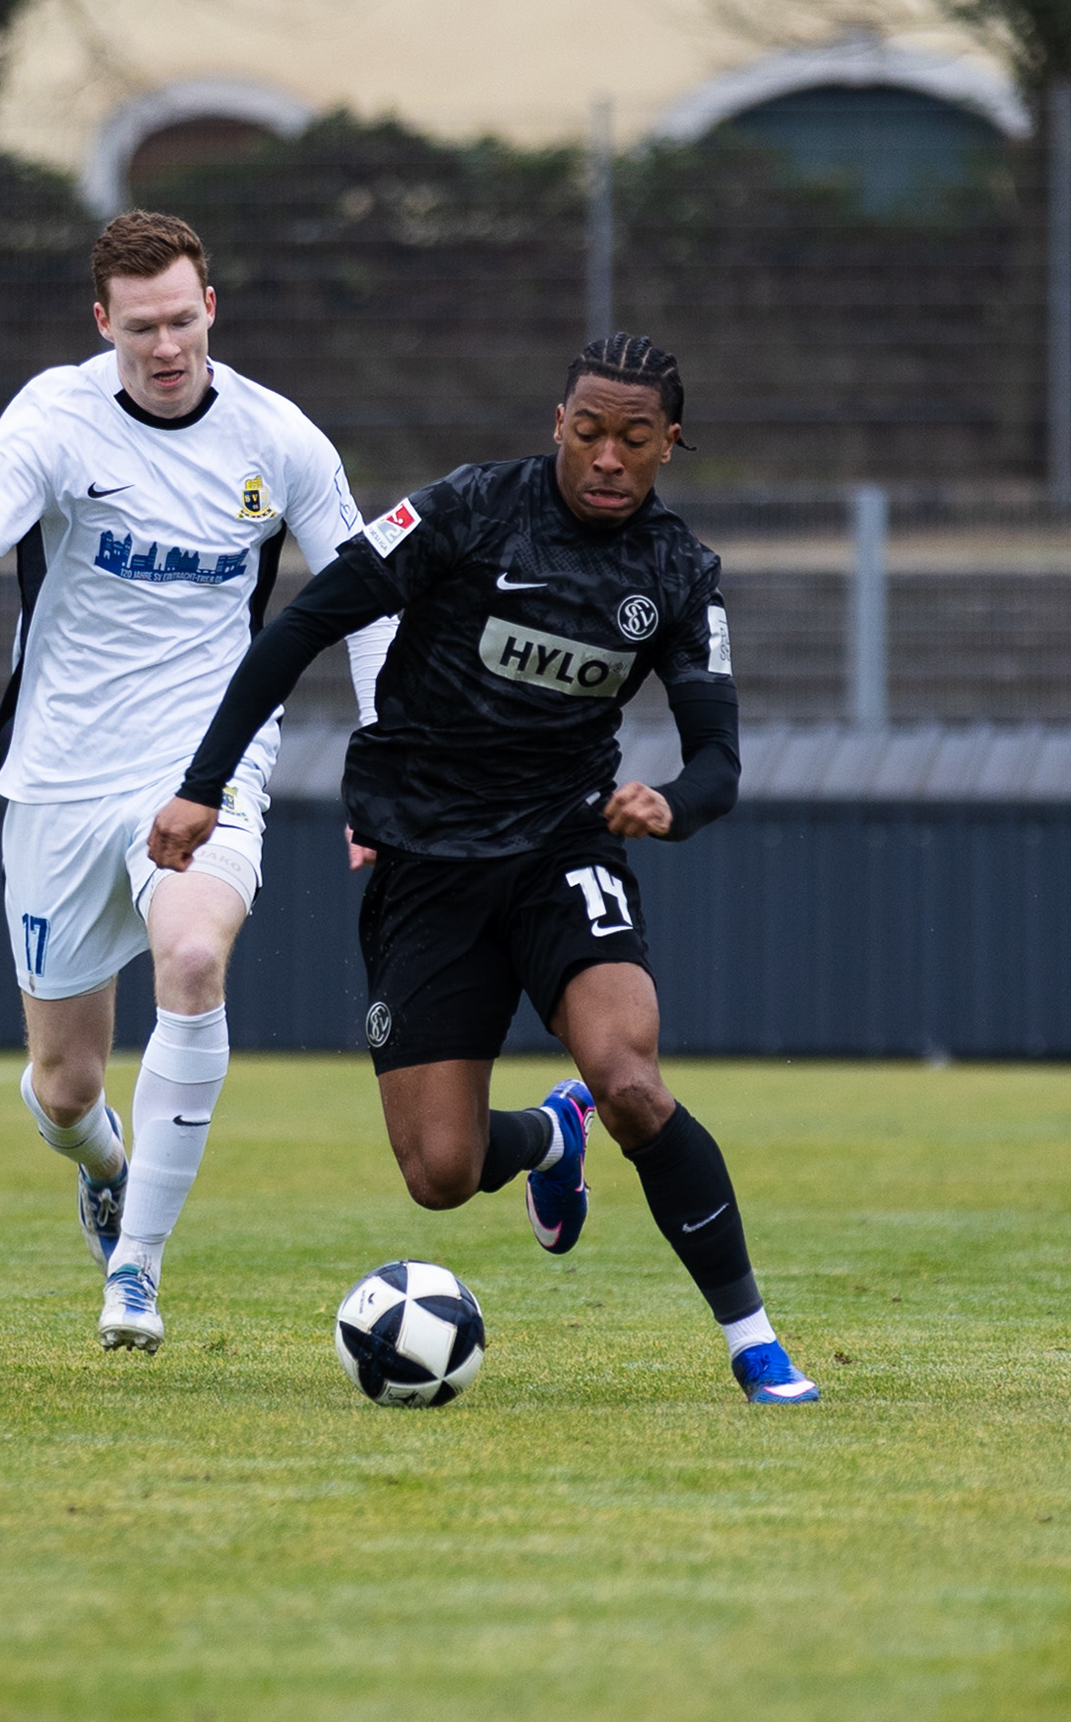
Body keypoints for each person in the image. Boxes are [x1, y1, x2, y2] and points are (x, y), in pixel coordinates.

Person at [150, 332, 818, 1405]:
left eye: (634, 439)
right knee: (442, 1175)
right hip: (425, 859)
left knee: (635, 1084)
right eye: (588, 431)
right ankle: (550, 1137)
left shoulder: (680, 574)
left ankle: (755, 1342)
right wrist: (205, 782)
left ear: (671, 445)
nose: (607, 457)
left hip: (562, 847)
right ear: (558, 424)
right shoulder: (467, 510)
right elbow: (303, 626)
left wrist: (671, 805)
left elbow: (719, 760)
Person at [0, 212, 391, 1354]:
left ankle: (138, 1271)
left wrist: (385, 755)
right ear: (101, 323)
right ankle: (104, 1162)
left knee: (195, 958)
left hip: (205, 765)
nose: (167, 346)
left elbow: (369, 601)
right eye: (142, 326)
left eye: (184, 319)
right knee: (63, 1084)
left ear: (215, 308)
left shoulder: (277, 437)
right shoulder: (54, 419)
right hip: (59, 774)